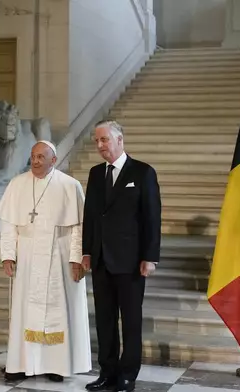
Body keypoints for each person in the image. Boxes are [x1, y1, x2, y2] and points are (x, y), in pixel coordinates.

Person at [0, 140, 92, 383]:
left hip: (58, 254)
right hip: (27, 255)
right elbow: (8, 225)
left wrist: (75, 258)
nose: (36, 161)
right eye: (33, 156)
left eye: (41, 157)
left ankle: (56, 364)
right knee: (24, 311)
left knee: (58, 309)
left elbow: (79, 228)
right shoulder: (18, 184)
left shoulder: (70, 186)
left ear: (53, 160)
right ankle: (20, 364)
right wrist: (7, 255)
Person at [82, 120, 161, 392]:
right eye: (97, 141)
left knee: (130, 321)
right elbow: (90, 217)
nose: (100, 145)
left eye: (104, 139)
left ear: (119, 140)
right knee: (104, 321)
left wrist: (150, 256)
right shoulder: (95, 174)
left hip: (130, 262)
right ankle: (107, 372)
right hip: (101, 260)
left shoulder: (143, 172)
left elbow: (152, 218)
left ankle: (128, 374)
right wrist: (87, 251)